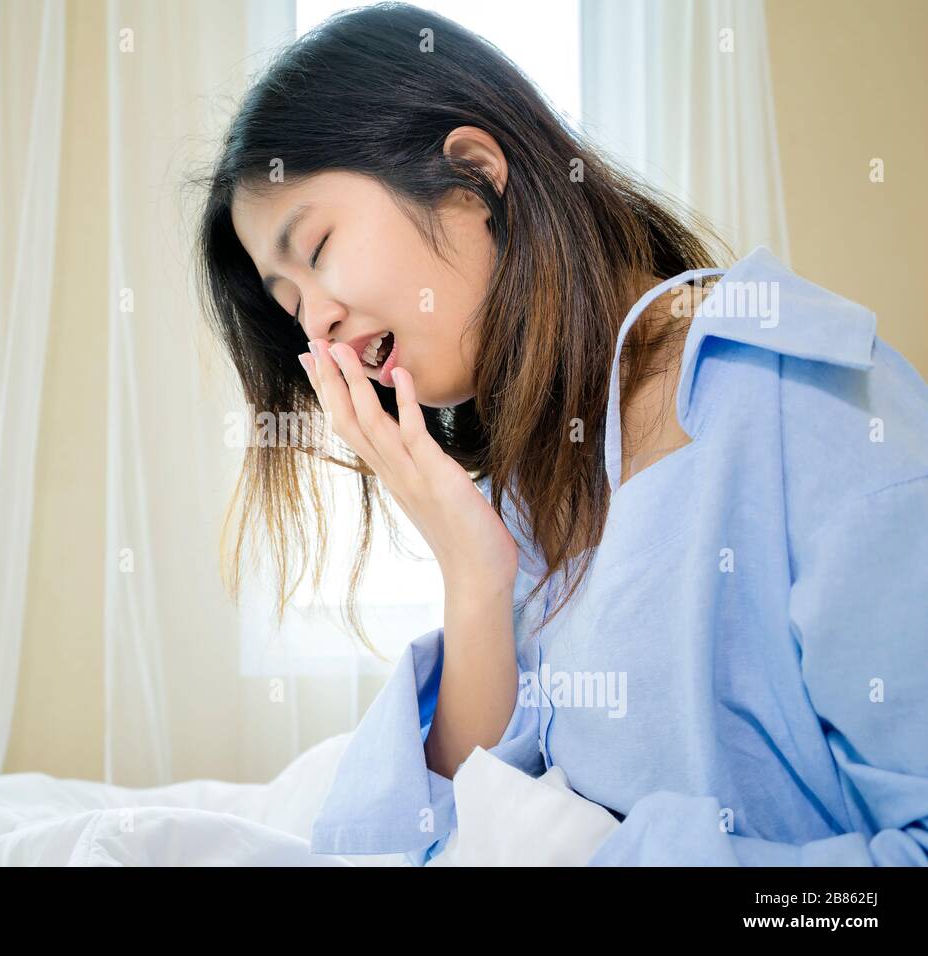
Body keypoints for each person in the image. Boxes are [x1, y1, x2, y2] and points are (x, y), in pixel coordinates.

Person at [193, 2, 928, 865]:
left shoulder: (804, 397)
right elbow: (423, 841)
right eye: (288, 307)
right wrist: (474, 573)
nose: (314, 324)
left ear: (472, 175)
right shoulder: (529, 486)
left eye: (316, 251)